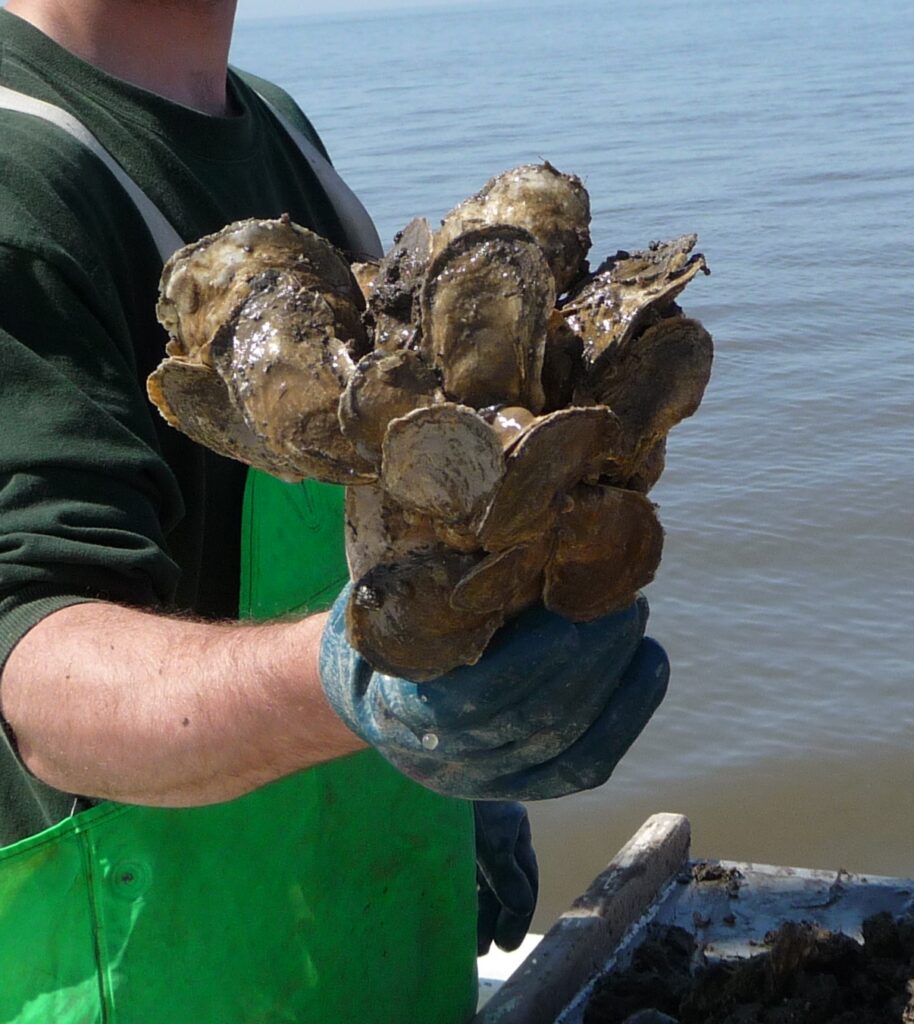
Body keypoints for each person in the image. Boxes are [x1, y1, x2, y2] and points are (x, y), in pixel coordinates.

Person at [0, 1, 670, 1021]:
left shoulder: (277, 131)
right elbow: (35, 675)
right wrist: (354, 685)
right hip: (154, 977)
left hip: (369, 953)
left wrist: (463, 777)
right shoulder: (23, 174)